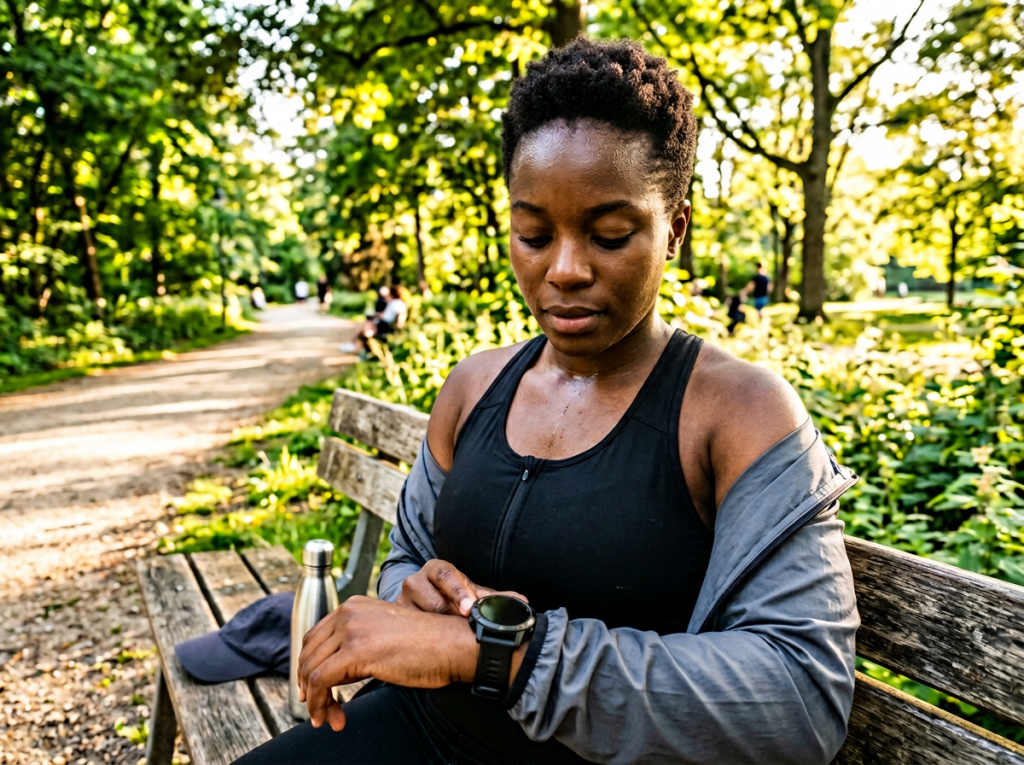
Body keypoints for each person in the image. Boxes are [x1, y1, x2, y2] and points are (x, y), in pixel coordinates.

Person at [237, 38, 858, 765]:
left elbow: (799, 697)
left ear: (675, 230)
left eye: (610, 235)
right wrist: (414, 592)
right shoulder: (473, 387)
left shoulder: (739, 412)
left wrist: (495, 654)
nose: (563, 269)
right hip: (419, 729)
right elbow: (407, 555)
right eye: (533, 233)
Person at [339, 284, 408, 357]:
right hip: (383, 324)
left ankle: (356, 346)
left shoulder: (397, 303)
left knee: (365, 328)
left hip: (385, 326)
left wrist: (398, 328)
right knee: (363, 326)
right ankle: (357, 347)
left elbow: (399, 315)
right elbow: (386, 314)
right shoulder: (394, 302)